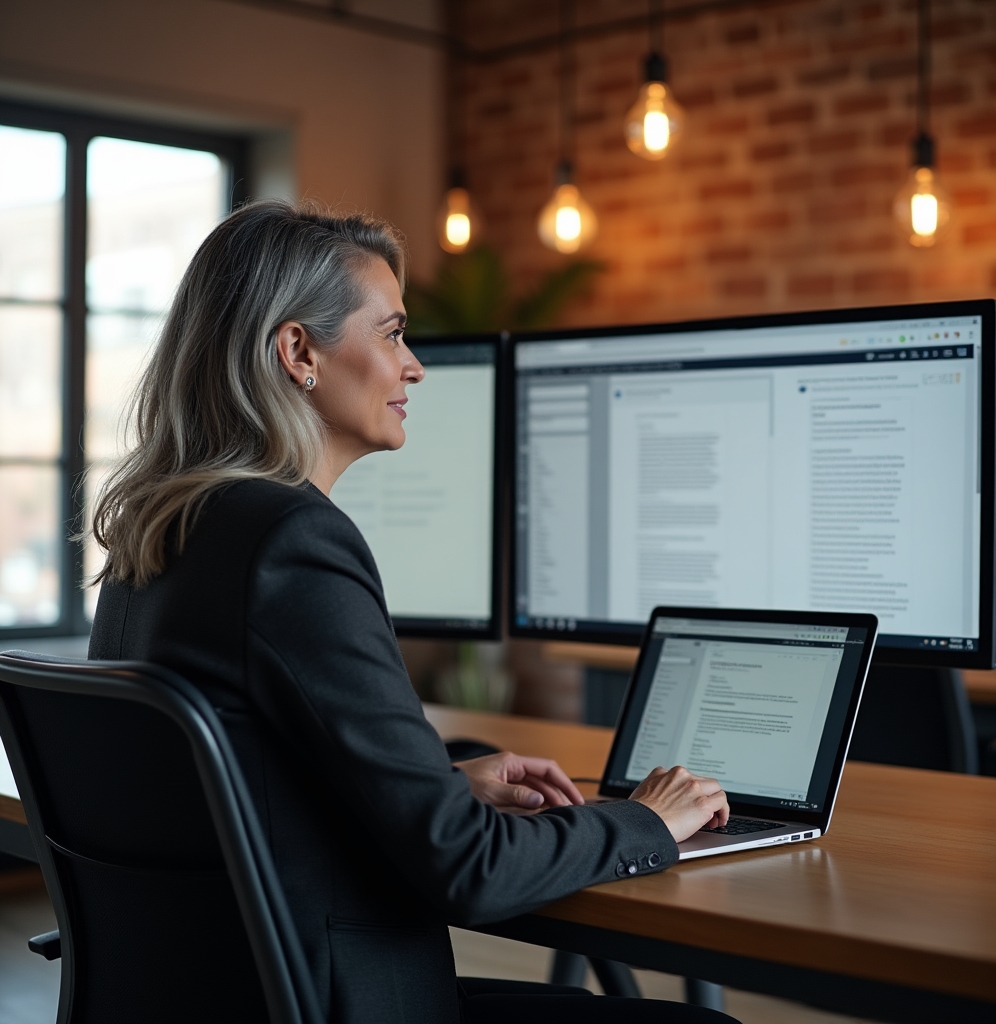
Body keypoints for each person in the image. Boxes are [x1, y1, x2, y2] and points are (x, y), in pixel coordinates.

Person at [88, 200, 738, 1024]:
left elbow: (240, 789)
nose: (415, 366)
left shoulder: (158, 530)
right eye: (392, 333)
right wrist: (643, 820)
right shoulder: (293, 541)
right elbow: (467, 870)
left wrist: (435, 787)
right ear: (299, 352)